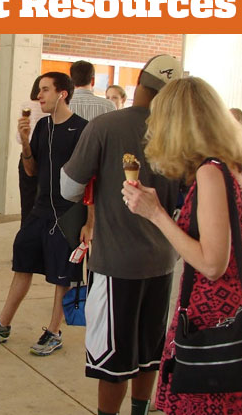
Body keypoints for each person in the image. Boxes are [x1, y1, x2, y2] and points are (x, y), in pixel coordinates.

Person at [60, 55, 183, 415]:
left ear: (140, 83)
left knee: (112, 361)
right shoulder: (177, 134)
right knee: (148, 354)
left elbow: (69, 187)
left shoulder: (106, 126)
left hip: (116, 264)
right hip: (163, 261)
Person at [121, 77, 242, 415]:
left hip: (211, 320)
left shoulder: (211, 172)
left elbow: (212, 263)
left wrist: (156, 214)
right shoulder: (232, 165)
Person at [0, 72, 88, 356]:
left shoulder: (82, 129)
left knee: (62, 275)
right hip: (40, 210)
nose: (39, 96)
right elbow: (32, 170)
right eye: (38, 90)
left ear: (63, 93)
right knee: (22, 259)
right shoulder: (43, 126)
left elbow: (91, 179)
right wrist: (25, 141)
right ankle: (3, 323)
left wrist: (90, 222)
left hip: (68, 213)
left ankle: (54, 331)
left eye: (45, 90)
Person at [17, 75, 46, 224]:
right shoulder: (51, 108)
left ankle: (26, 233)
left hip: (27, 154)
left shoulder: (26, 105)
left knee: (27, 202)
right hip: (47, 159)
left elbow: (19, 137)